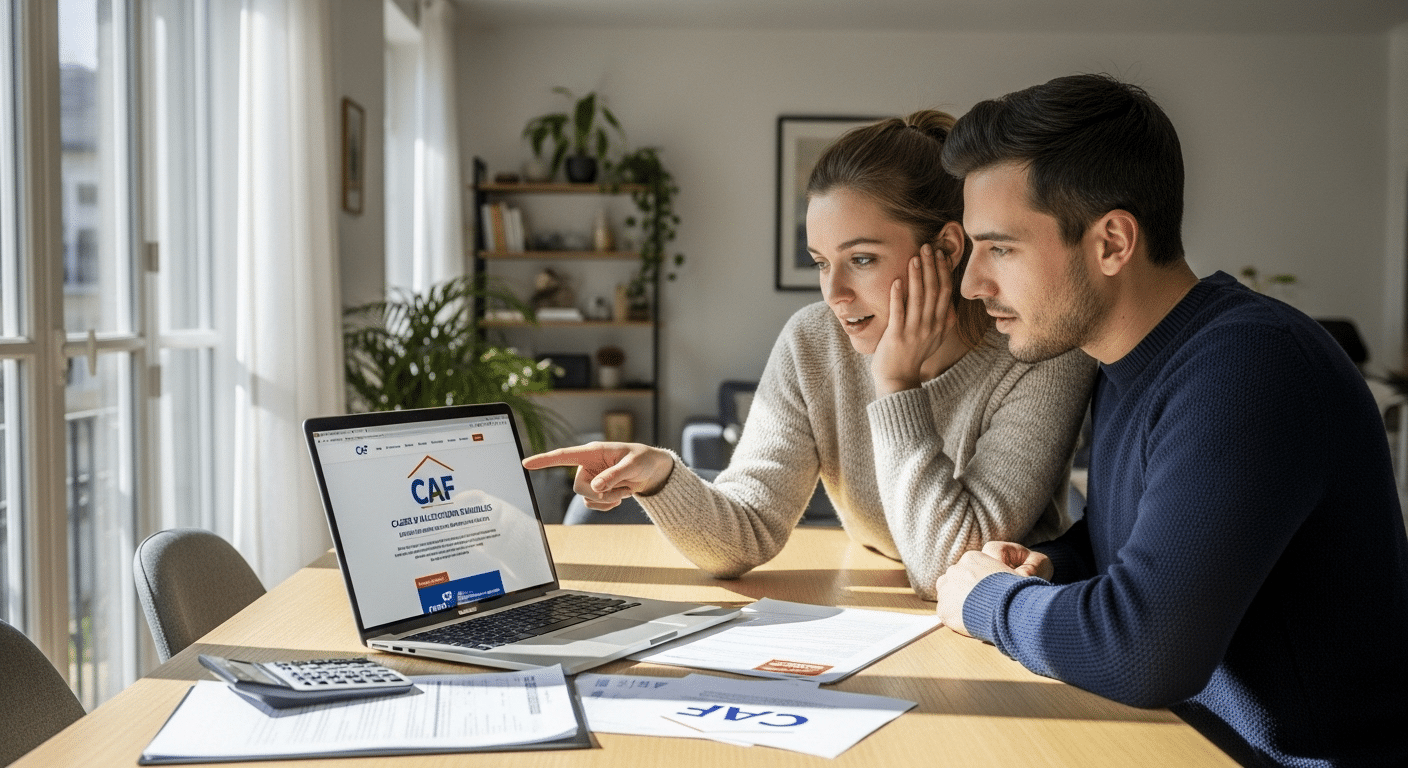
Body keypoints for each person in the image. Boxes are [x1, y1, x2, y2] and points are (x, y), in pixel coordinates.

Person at [931, 73, 1408, 767]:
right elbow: (1122, 539)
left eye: (1000, 248)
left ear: (1113, 242)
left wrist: (989, 604)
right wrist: (1050, 564)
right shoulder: (1130, 362)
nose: (972, 283)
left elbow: (1143, 651)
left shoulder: (1249, 367)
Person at [523, 110, 1097, 600]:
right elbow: (748, 531)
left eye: (863, 259)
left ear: (946, 249)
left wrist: (895, 384)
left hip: (1011, 623)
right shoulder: (813, 341)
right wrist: (661, 478)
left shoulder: (1039, 353)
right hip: (876, 601)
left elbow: (950, 567)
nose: (835, 294)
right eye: (822, 262)